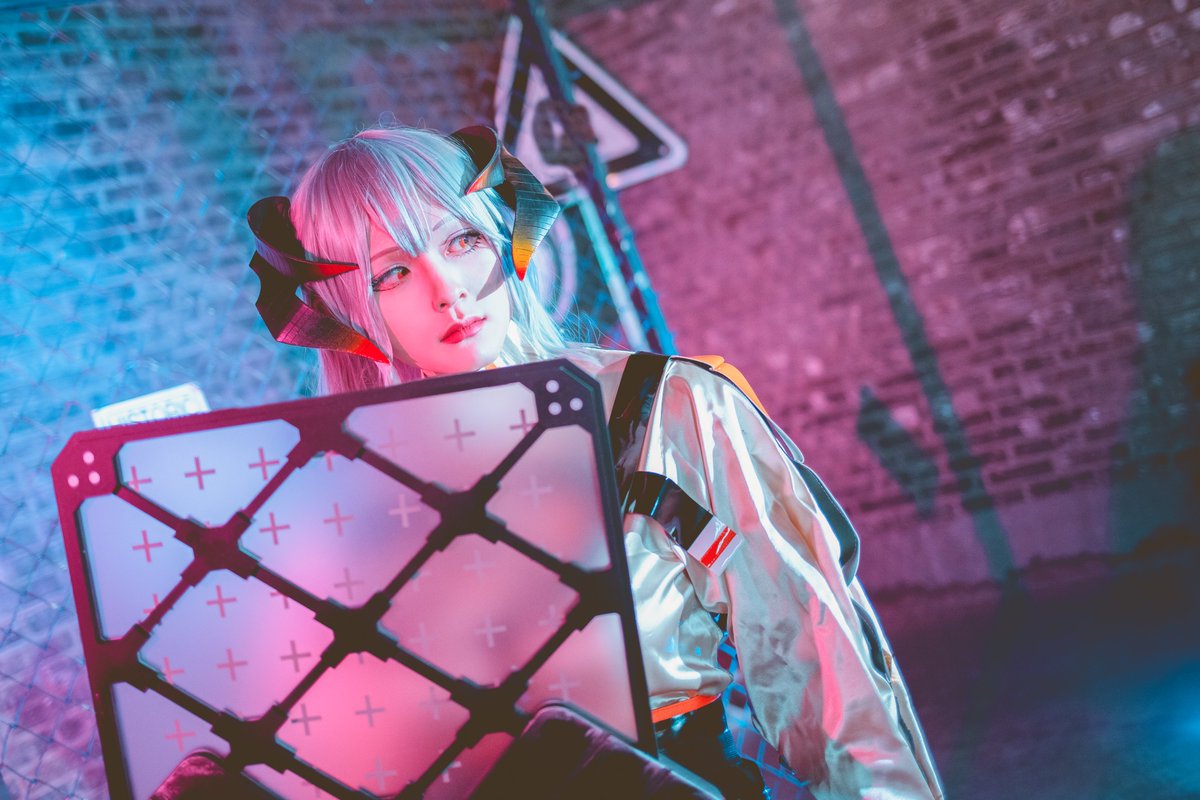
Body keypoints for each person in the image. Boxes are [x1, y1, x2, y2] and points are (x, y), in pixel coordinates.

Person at [248, 124, 943, 800]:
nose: (447, 287)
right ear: (345, 307)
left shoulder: (663, 406)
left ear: (503, 234)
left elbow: (816, 654)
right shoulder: (339, 484)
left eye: (461, 239)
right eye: (393, 272)